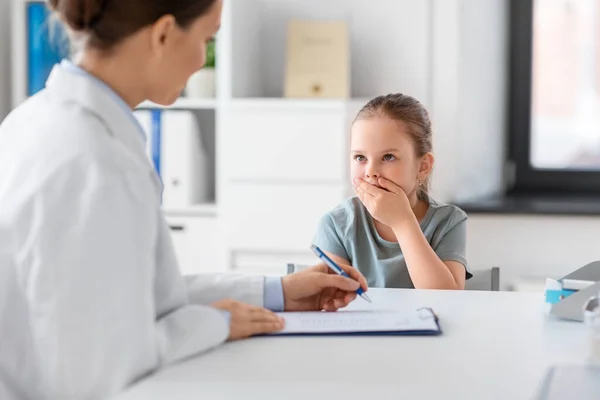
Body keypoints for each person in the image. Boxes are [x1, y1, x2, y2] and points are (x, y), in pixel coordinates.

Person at [0, 1, 368, 399]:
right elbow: (103, 367)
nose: (201, 61)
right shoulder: (99, 162)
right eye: (206, 38)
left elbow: (131, 295)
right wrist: (215, 323)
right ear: (163, 34)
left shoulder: (30, 120)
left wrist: (277, 291)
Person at [312, 93, 471, 290]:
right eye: (360, 158)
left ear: (422, 166)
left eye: (388, 157)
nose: (370, 171)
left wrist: (402, 222)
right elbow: (338, 301)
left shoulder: (448, 221)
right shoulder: (336, 224)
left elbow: (446, 297)